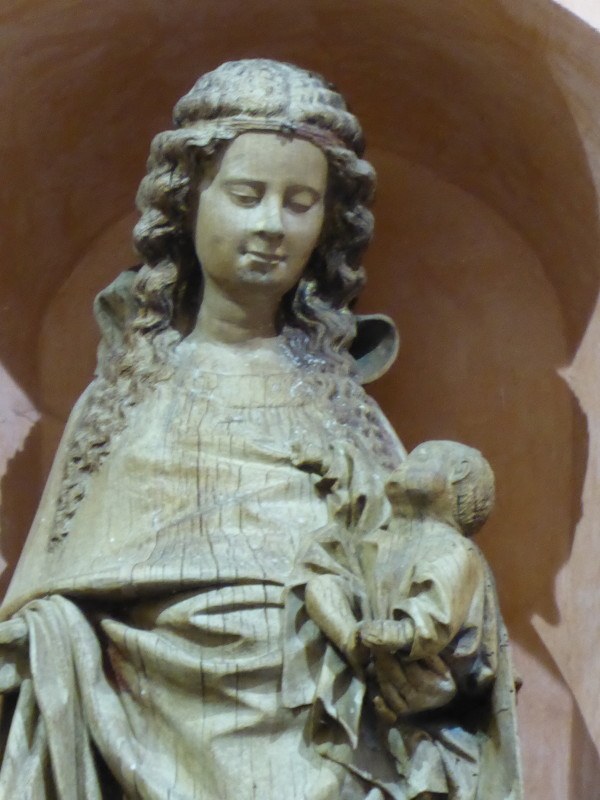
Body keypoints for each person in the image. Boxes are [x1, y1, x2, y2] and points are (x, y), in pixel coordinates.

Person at [0, 60, 407, 799]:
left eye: (300, 203)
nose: (271, 226)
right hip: (143, 729)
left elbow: (413, 578)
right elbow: (49, 592)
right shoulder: (125, 397)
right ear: (189, 203)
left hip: (331, 735)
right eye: (246, 195)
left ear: (327, 223)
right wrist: (46, 639)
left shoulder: (347, 411)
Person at [296, 441, 522, 800]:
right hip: (377, 652)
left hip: (428, 668)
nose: (405, 463)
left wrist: (406, 631)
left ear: (458, 477)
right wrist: (331, 466)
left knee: (419, 751)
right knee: (320, 583)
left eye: (422, 458)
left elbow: (439, 610)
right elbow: (357, 502)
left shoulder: (453, 549)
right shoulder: (383, 536)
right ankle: (351, 642)